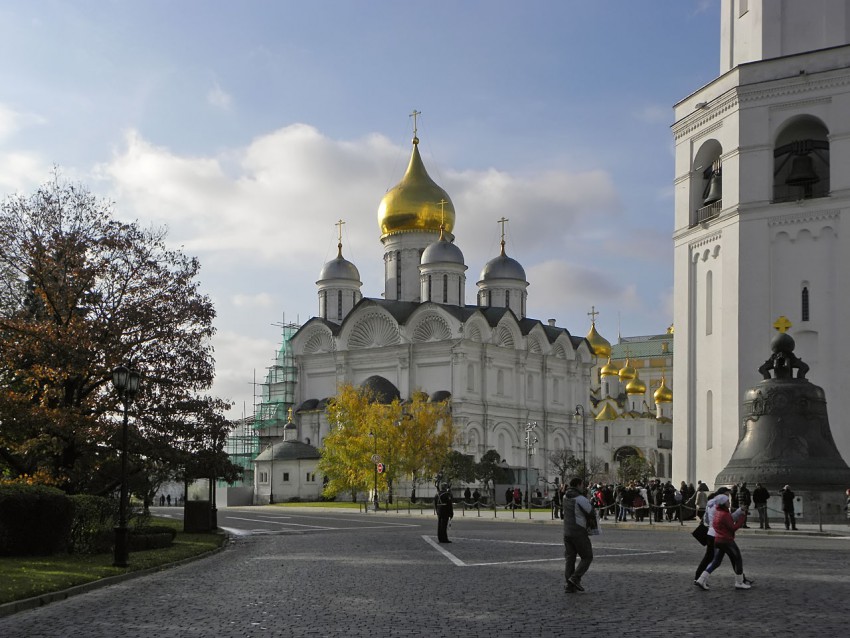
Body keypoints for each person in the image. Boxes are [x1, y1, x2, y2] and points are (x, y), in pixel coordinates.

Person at [695, 494, 750, 590]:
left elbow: (727, 520)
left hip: (718, 539)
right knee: (738, 559)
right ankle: (739, 582)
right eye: (728, 501)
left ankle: (701, 578)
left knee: (716, 562)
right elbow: (733, 527)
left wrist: (740, 511)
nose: (729, 503)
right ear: (723, 503)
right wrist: (742, 518)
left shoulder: (718, 512)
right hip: (726, 540)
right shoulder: (724, 514)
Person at [562, 476, 594, 593]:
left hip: (567, 531)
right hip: (579, 531)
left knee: (570, 558)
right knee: (587, 556)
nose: (583, 487)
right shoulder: (580, 498)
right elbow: (591, 511)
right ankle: (575, 578)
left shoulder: (565, 496)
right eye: (582, 485)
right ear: (578, 485)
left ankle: (569, 585)